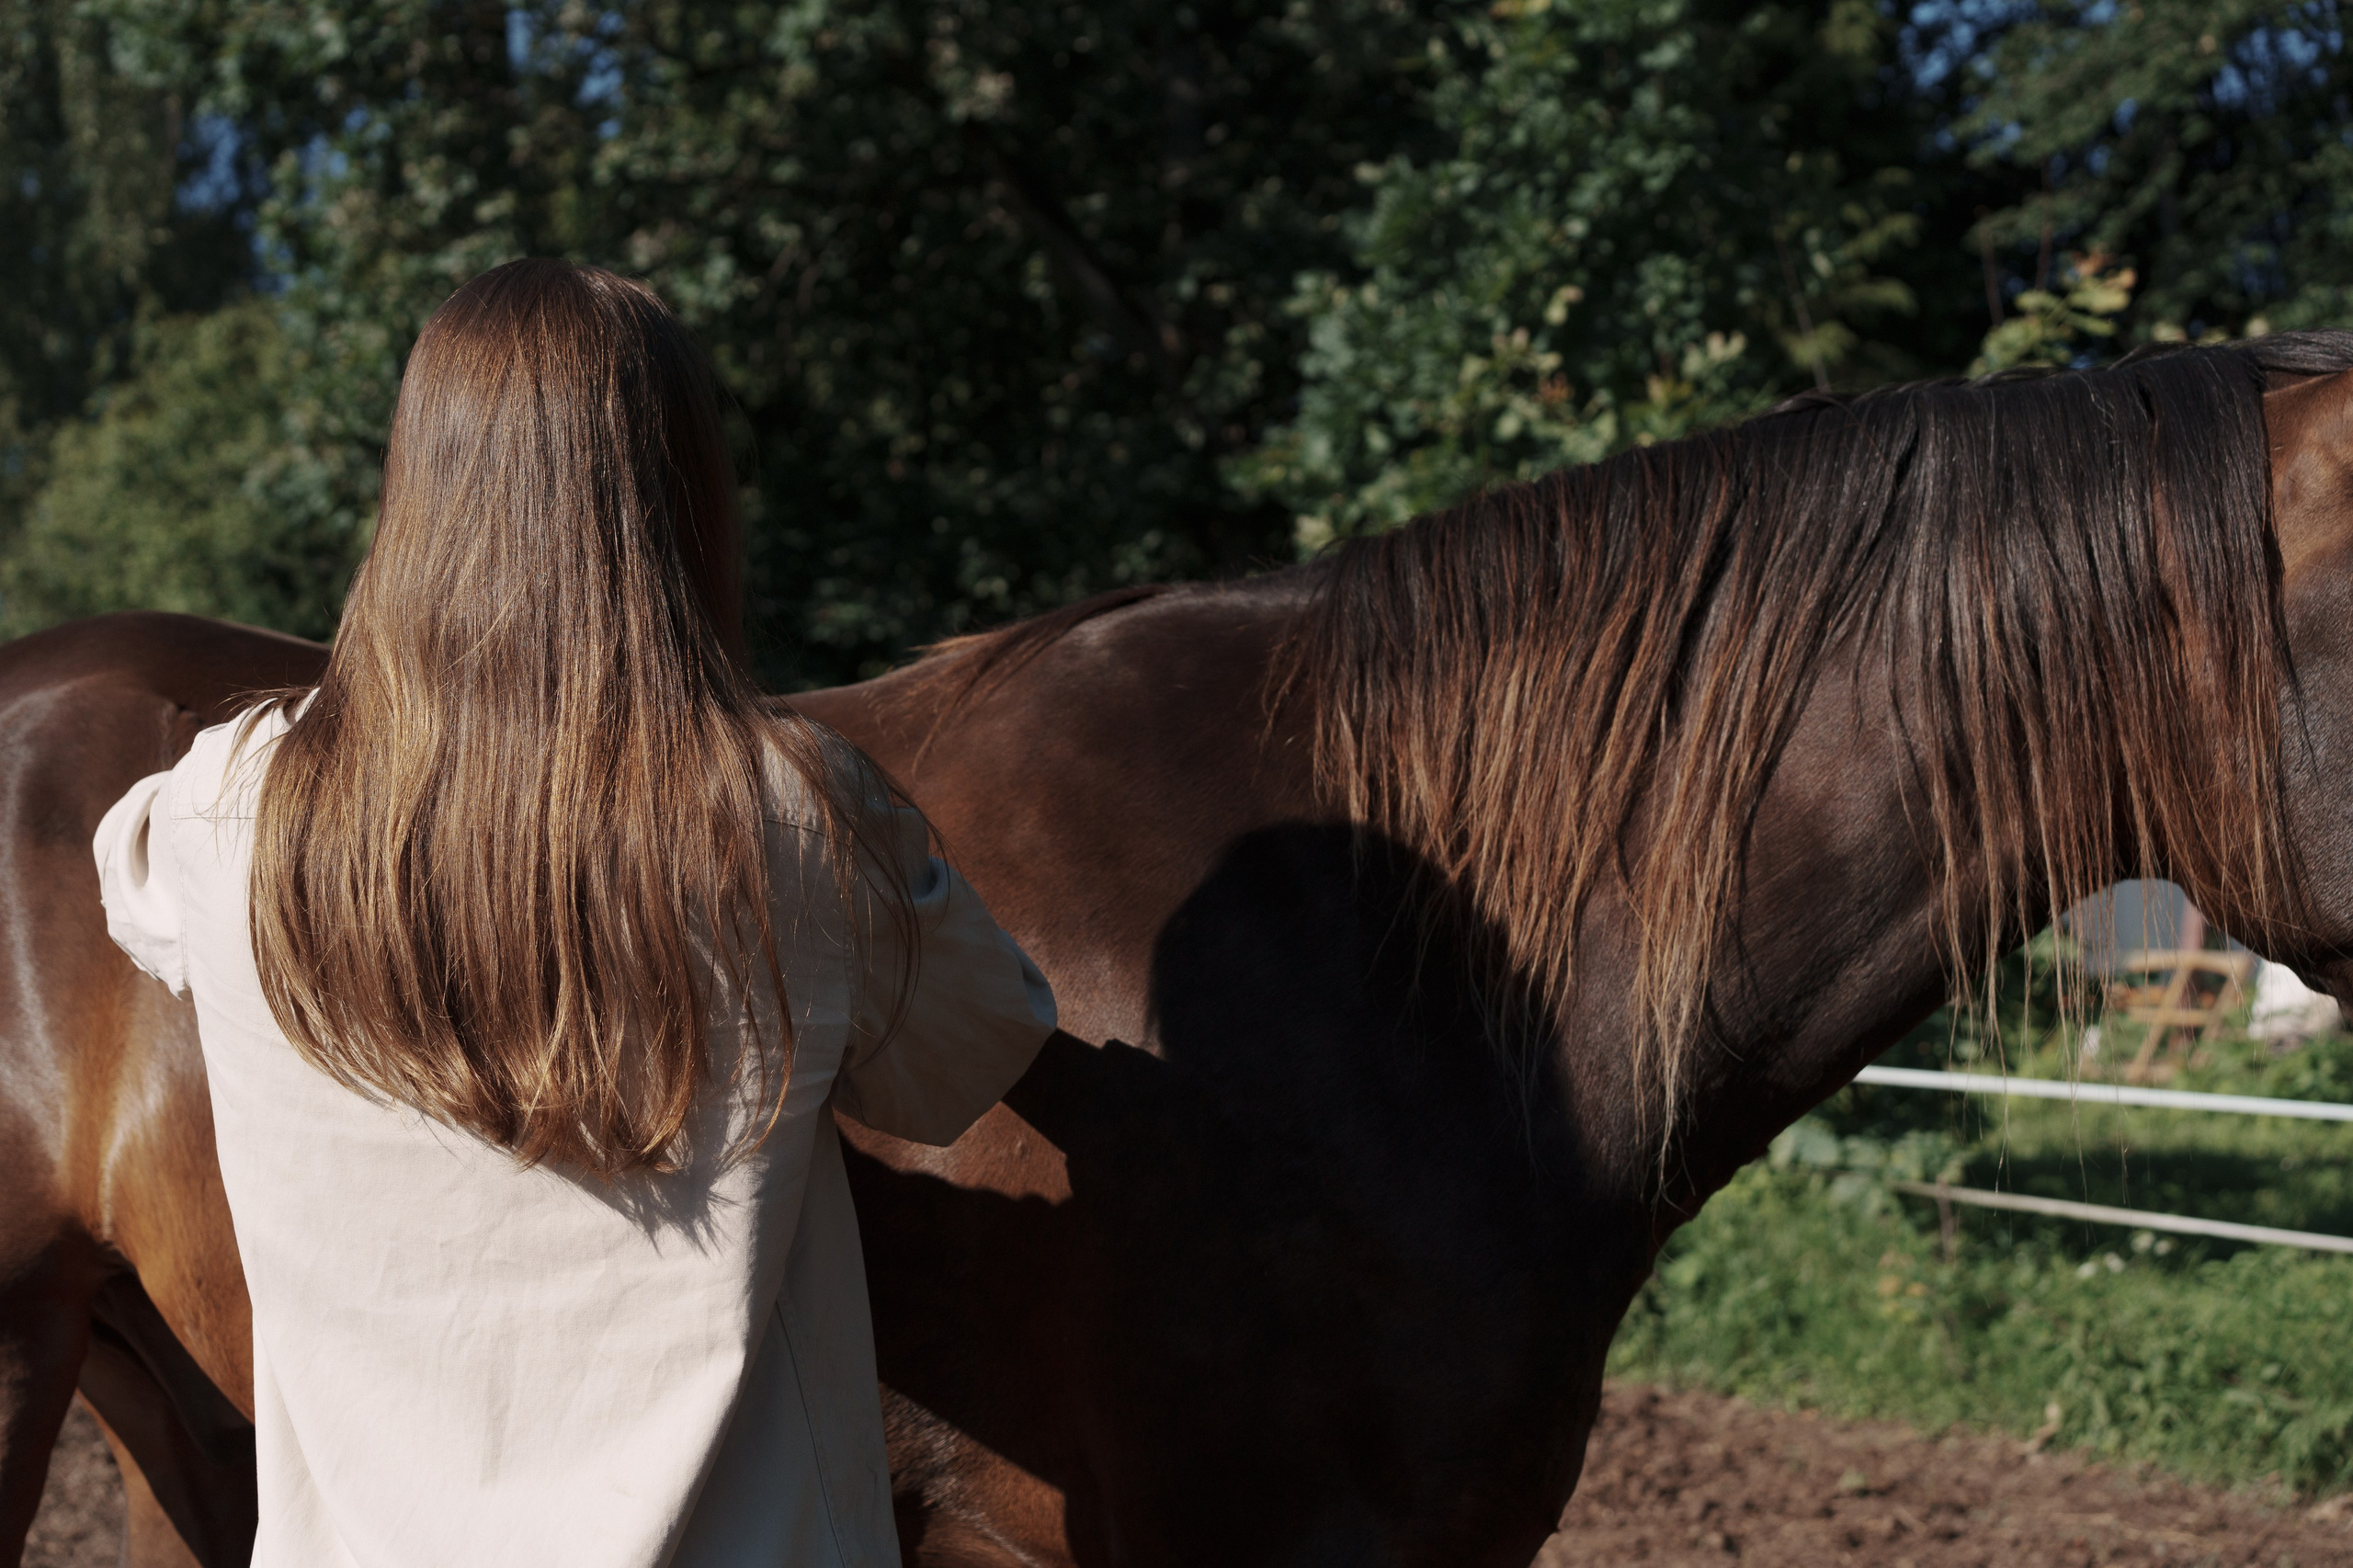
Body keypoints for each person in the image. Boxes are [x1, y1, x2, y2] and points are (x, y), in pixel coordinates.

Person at [90, 258, 1056, 1567]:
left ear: (417, 489)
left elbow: (139, 902)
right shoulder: (798, 819)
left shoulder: (222, 810)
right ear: (682, 495)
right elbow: (978, 1045)